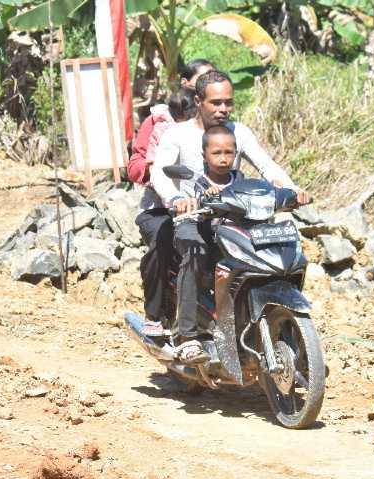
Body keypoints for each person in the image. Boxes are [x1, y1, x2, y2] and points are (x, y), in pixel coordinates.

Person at [138, 70, 308, 363]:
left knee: (272, 249)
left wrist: (291, 189)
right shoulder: (177, 134)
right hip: (191, 217)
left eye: (228, 103)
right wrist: (177, 199)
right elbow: (160, 172)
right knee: (194, 251)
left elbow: (266, 166)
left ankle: (274, 322)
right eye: (215, 103)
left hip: (232, 216)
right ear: (198, 100)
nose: (223, 109)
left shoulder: (239, 132)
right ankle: (188, 336)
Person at [127, 59, 216, 185]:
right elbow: (134, 168)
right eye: (203, 80)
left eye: (214, 81)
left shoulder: (216, 120)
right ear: (185, 83)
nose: (209, 86)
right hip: (161, 199)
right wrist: (154, 166)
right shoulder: (159, 120)